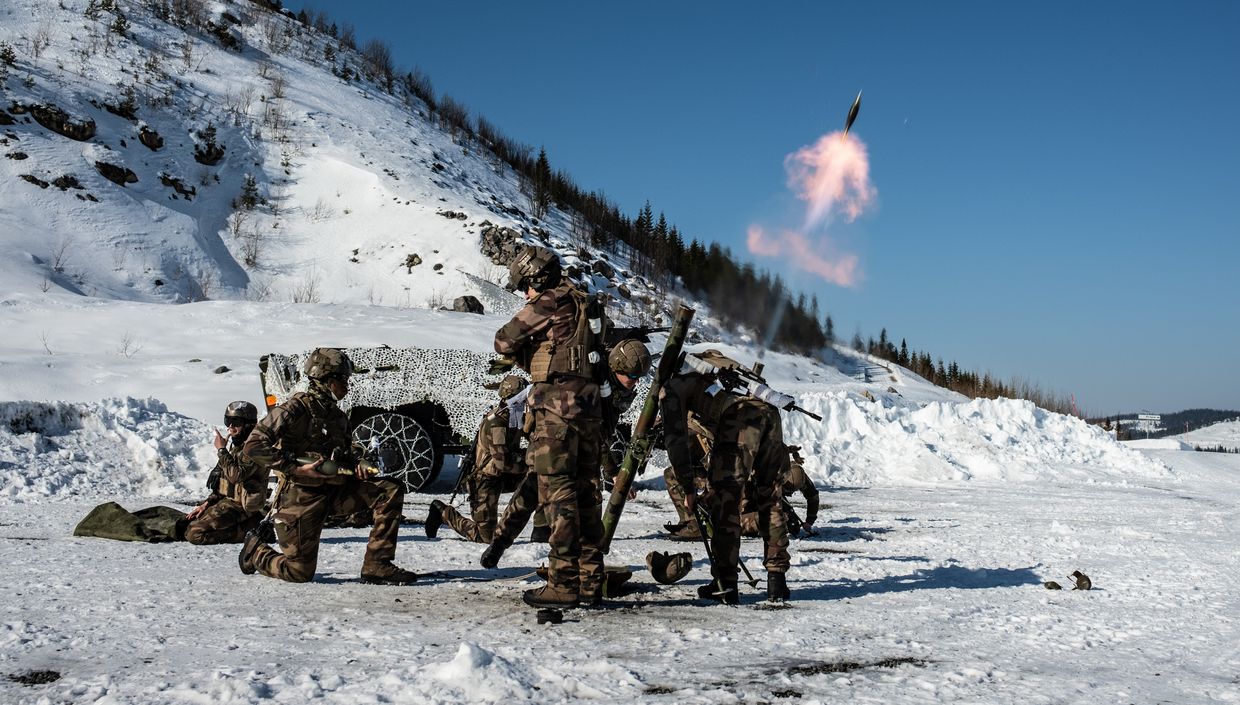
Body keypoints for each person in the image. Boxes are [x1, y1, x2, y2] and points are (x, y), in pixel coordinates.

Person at [237, 348, 416, 585]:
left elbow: (346, 452)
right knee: (299, 572)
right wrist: (293, 468)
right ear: (325, 379)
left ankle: (377, 565)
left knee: (389, 489)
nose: (347, 386)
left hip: (333, 493)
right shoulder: (293, 409)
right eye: (342, 380)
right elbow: (254, 445)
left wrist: (358, 462)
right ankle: (256, 552)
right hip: (301, 499)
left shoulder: (338, 417)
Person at [491, 245, 607, 608]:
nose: (526, 293)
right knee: (586, 495)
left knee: (558, 497)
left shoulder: (550, 301)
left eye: (526, 284)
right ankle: (590, 581)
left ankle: (562, 583)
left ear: (538, 277)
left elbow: (503, 339)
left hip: (557, 411)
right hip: (589, 410)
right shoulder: (586, 302)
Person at [479, 338, 652, 582]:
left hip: (580, 450)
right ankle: (500, 542)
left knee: (583, 507)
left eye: (638, 377)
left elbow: (601, 434)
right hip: (555, 442)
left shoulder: (609, 386)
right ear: (617, 368)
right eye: (632, 375)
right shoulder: (591, 382)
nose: (634, 382)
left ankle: (581, 567)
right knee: (529, 492)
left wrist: (611, 470)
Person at [660, 350, 792, 604]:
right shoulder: (712, 365)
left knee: (726, 501)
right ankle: (777, 580)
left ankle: (725, 583)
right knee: (771, 496)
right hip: (770, 412)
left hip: (738, 419)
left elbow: (675, 441)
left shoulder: (674, 385)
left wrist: (687, 486)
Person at [424, 375, 528, 543]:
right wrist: (528, 463)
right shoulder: (498, 423)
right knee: (485, 537)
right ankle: (443, 513)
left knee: (539, 480)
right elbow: (503, 462)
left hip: (500, 476)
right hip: (484, 480)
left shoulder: (512, 417)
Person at [183, 401, 267, 544]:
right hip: (228, 502)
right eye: (228, 421)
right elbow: (225, 482)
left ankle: (253, 531)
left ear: (248, 424)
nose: (230, 427)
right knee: (185, 525)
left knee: (195, 534)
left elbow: (237, 476)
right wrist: (206, 504)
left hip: (244, 506)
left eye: (235, 422)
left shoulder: (254, 448)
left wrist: (222, 451)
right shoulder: (237, 446)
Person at [740, 444, 819, 538]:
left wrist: (809, 521)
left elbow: (813, 497)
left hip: (770, 492)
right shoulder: (758, 476)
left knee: (792, 526)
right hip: (748, 492)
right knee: (748, 529)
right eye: (787, 490)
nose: (790, 494)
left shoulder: (799, 475)